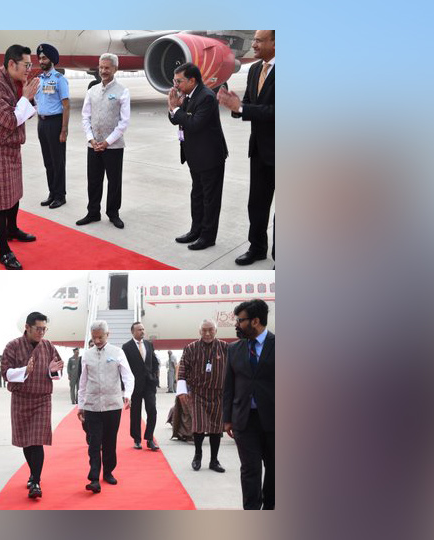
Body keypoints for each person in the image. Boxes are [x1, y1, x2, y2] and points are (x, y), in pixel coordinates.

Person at [0, 44, 42, 270]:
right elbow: (10, 120)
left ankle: (12, 230)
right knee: (1, 205)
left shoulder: (14, 84)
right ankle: (4, 252)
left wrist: (27, 98)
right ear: (12, 64)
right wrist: (25, 97)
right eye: (26, 65)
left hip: (12, 148)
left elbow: (25, 115)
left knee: (14, 195)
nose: (29, 69)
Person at [218, 30, 275, 266]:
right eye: (253, 40)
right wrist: (235, 105)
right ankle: (257, 247)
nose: (253, 44)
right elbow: (250, 105)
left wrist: (242, 108)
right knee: (257, 203)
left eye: (259, 40)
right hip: (260, 150)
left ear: (275, 42)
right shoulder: (254, 70)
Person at [1, 312, 66, 499]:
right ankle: (33, 473)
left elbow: (58, 370)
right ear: (27, 327)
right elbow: (5, 373)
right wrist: (24, 370)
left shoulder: (48, 346)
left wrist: (53, 371)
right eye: (38, 329)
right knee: (26, 441)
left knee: (37, 440)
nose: (42, 333)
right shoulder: (12, 346)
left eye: (44, 329)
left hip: (42, 398)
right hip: (21, 398)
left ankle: (35, 481)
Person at [167, 63, 229, 251]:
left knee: (210, 199)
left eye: (179, 81)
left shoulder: (206, 97)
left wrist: (177, 110)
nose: (176, 85)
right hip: (195, 156)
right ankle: (196, 230)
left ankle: (208, 236)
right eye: (175, 81)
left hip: (210, 157)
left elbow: (194, 124)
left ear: (192, 80)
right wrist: (173, 108)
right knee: (197, 195)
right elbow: (176, 119)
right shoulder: (187, 95)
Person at [223, 299, 275, 510]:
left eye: (240, 320)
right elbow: (229, 386)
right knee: (250, 469)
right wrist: (227, 419)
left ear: (255, 321)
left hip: (275, 420)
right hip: (244, 420)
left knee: (274, 469)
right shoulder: (233, 349)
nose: (236, 324)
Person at [76, 321, 133, 493]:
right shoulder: (87, 355)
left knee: (109, 441)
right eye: (94, 337)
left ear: (108, 334)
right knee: (94, 443)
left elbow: (128, 376)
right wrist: (81, 405)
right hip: (92, 406)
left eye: (100, 337)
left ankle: (108, 472)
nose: (97, 340)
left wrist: (127, 395)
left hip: (112, 405)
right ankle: (94, 478)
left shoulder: (117, 352)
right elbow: (83, 382)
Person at [77, 53, 130, 229]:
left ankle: (113, 213)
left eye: (107, 67)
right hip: (93, 144)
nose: (103, 71)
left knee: (114, 181)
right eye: (101, 67)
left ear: (115, 69)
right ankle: (93, 212)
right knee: (93, 180)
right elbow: (85, 117)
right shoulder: (91, 91)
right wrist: (91, 139)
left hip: (113, 146)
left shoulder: (123, 91)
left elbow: (124, 122)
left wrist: (108, 141)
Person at [177, 319, 229, 473]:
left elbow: (233, 370)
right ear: (199, 331)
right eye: (204, 330)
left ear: (216, 331)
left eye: (210, 330)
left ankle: (214, 460)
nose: (207, 333)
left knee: (216, 428)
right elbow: (182, 369)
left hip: (218, 394)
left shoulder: (225, 348)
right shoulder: (190, 348)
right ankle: (197, 456)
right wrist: (182, 391)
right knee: (198, 427)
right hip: (198, 393)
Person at [34, 43, 70, 209]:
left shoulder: (59, 80)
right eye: (40, 58)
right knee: (48, 161)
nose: (41, 60)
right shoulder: (39, 80)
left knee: (58, 161)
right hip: (42, 123)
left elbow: (66, 105)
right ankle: (52, 193)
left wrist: (64, 129)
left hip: (55, 123)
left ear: (52, 60)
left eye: (44, 58)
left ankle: (60, 195)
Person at [123, 322, 160, 450]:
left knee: (152, 410)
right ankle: (137, 439)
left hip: (149, 384)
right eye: (139, 330)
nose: (142, 332)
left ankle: (149, 438)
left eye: (143, 329)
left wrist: (155, 376)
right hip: (135, 385)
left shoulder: (149, 345)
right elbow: (124, 368)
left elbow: (154, 362)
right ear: (133, 332)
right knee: (135, 413)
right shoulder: (126, 347)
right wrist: (125, 387)